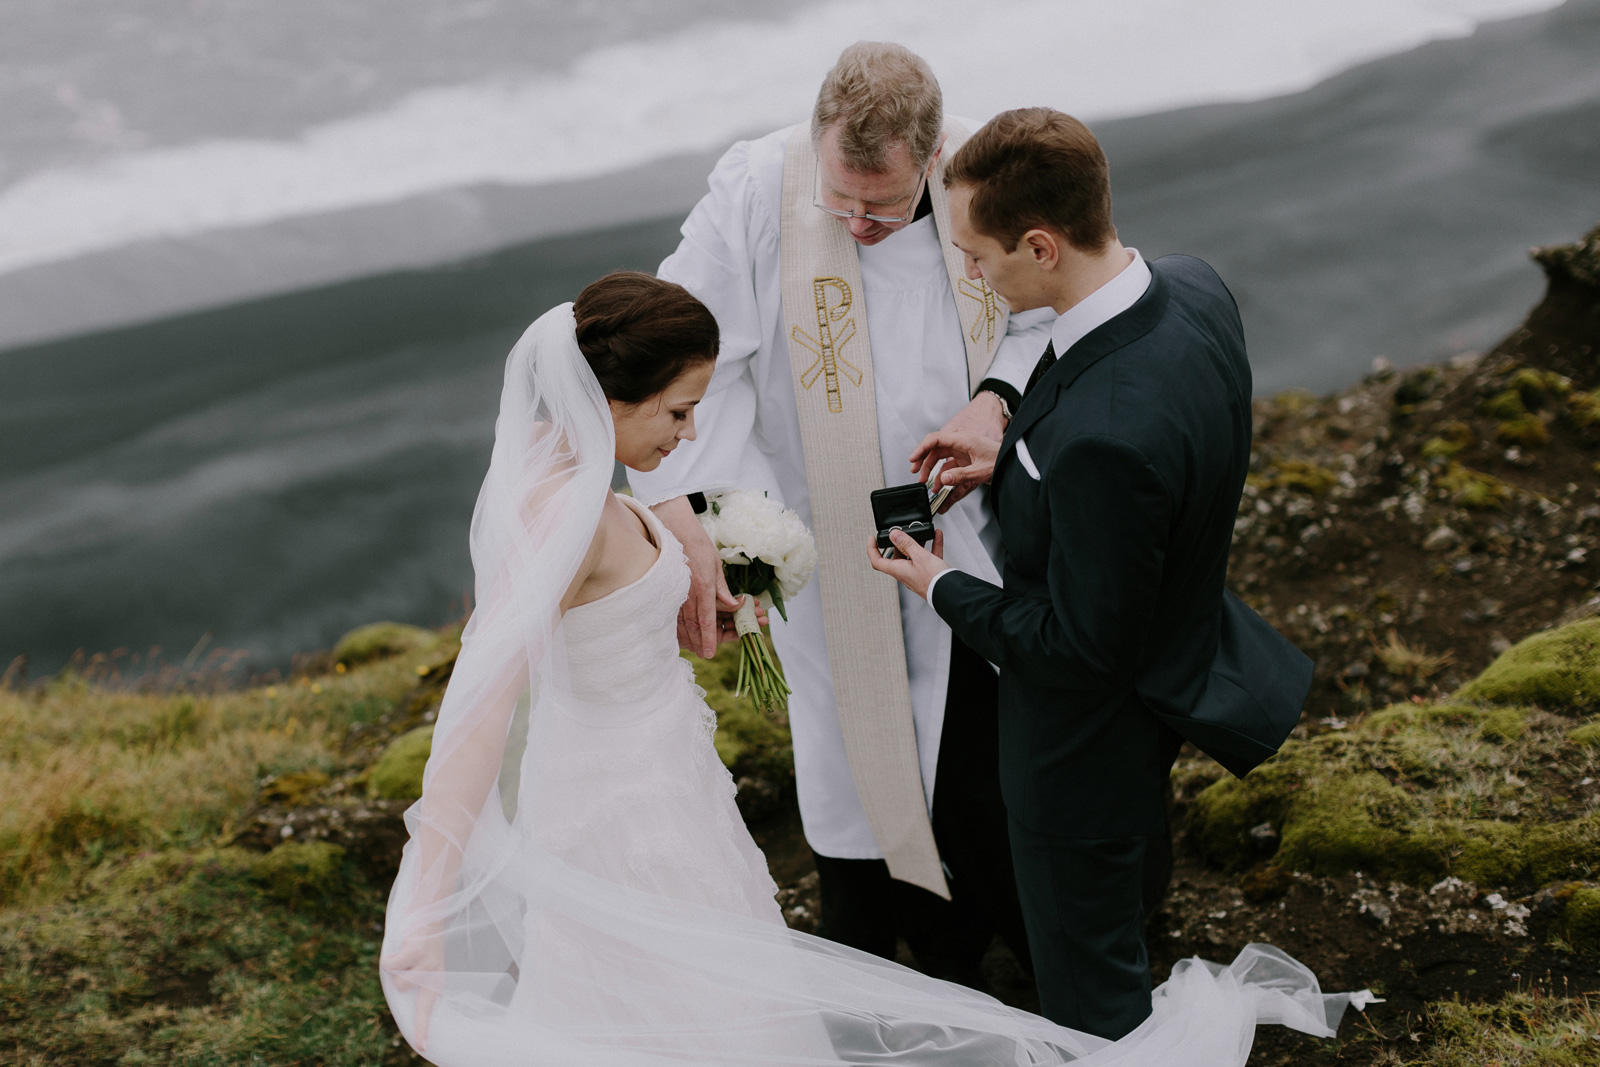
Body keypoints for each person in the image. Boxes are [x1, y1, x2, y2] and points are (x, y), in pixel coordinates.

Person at [378, 269, 1364, 1066]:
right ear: (608, 399)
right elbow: (480, 699)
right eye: (674, 415)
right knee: (653, 998)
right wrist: (424, 897)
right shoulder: (559, 513)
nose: (685, 439)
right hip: (613, 804)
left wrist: (690, 602)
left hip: (671, 770)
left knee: (713, 990)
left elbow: (594, 616)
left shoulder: (595, 485)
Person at [870, 109, 1313, 1041]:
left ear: (1041, 244)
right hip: (1176, 653)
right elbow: (1162, 468)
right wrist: (1021, 464)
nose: (973, 274)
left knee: (1086, 985)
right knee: (1116, 909)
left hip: (1080, 749)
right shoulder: (1193, 288)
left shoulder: (1104, 438)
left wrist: (937, 584)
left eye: (979, 256)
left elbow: (1078, 647)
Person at [627, 41, 1050, 985]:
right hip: (820, 522)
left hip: (979, 527)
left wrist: (998, 398)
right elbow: (691, 348)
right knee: (843, 741)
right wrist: (717, 515)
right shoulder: (756, 190)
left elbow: (1047, 311)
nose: (856, 221)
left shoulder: (997, 173)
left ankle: (1001, 930)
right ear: (816, 141)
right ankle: (877, 934)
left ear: (936, 156)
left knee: (981, 743)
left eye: (884, 206)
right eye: (840, 199)